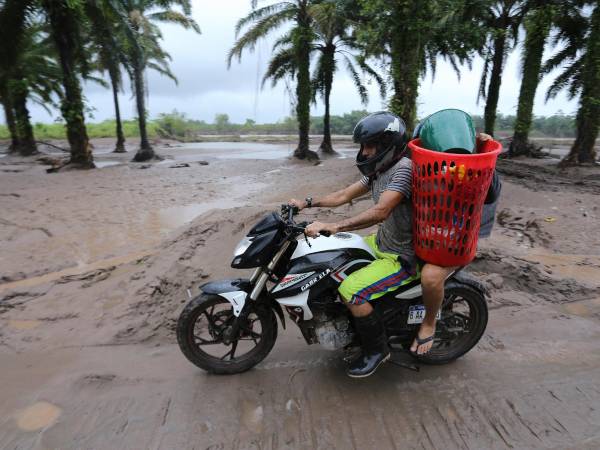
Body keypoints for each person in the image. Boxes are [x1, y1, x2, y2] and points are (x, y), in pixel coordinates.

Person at [288, 111, 417, 378]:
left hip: (401, 255)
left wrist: (335, 225)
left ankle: (377, 350)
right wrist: (307, 203)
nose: (365, 152)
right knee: (333, 258)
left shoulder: (403, 170)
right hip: (382, 242)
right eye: (363, 146)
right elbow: (344, 194)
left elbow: (381, 211)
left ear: (387, 146)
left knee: (351, 291)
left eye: (370, 146)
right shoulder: (379, 170)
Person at [409, 110, 502, 355]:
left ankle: (428, 324)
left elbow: (490, 192)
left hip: (454, 244)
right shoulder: (421, 170)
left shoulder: (469, 173)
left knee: (430, 277)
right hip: (425, 236)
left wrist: (482, 154)